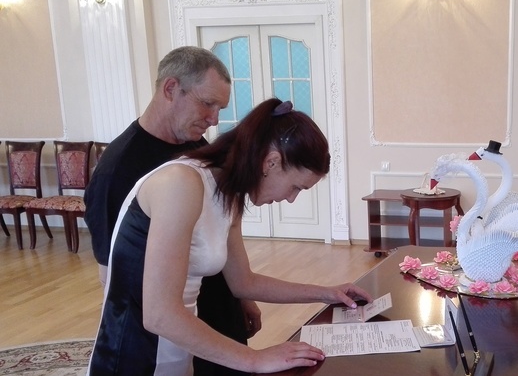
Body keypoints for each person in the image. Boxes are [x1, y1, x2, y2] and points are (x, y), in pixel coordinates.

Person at [88, 98, 373, 375]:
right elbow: (159, 314)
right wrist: (254, 359)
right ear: (271, 162)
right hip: (133, 357)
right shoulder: (181, 183)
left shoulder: (226, 192)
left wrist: (326, 293)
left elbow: (243, 282)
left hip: (177, 350)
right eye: (296, 187)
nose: (291, 199)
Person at [84, 46, 261, 375]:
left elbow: (219, 226)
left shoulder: (198, 147)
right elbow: (113, 277)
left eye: (219, 108)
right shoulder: (119, 170)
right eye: (207, 103)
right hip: (170, 337)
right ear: (170, 89)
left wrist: (242, 297)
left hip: (216, 311)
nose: (214, 119)